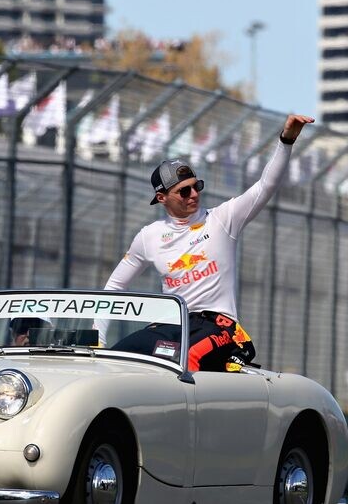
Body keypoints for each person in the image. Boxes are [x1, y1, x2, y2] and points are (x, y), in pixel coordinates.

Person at [98, 114, 314, 372]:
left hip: (219, 325)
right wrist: (98, 336)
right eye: (184, 191)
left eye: (196, 186)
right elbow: (115, 285)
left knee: (183, 362)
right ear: (162, 197)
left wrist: (286, 140)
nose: (194, 194)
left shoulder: (222, 219)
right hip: (173, 325)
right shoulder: (149, 235)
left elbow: (265, 186)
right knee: (117, 358)